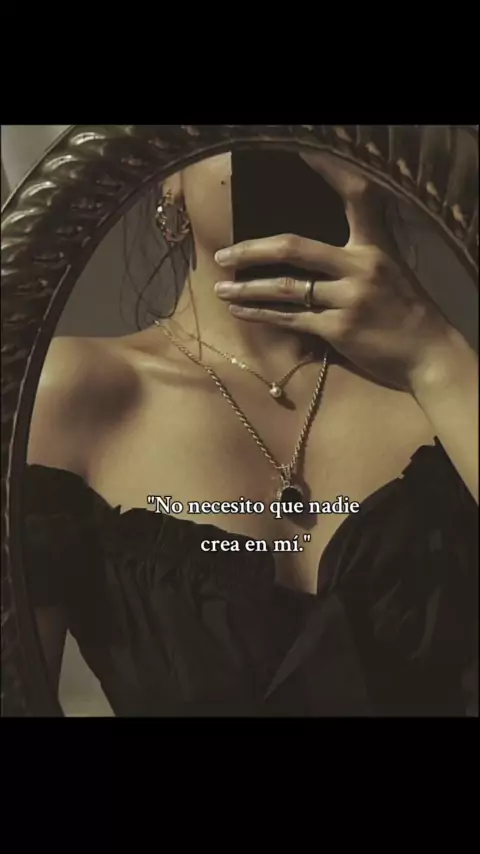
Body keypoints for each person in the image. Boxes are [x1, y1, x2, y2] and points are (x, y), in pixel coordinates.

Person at [25, 150, 478, 717]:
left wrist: (435, 358)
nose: (294, 144)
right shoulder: (75, 395)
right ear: (170, 178)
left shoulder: (445, 389)